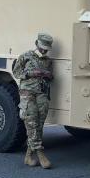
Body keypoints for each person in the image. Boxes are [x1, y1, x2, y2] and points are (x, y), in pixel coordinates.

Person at [12, 32, 54, 169]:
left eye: (46, 48)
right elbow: (16, 73)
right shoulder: (26, 56)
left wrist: (47, 75)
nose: (44, 50)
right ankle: (41, 153)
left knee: (39, 125)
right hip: (27, 93)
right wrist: (30, 73)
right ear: (36, 44)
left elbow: (51, 77)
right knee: (31, 123)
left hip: (42, 93)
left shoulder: (48, 61)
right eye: (42, 47)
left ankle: (29, 156)